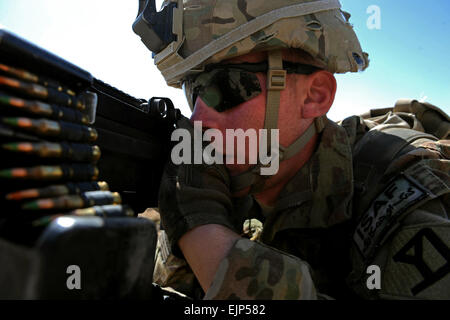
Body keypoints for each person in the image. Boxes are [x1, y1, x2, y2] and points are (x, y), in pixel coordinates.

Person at [137, 0, 450, 300]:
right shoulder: (217, 181)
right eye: (193, 90)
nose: (198, 118)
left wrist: (201, 230)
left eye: (225, 87)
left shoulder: (404, 192)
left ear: (315, 96)